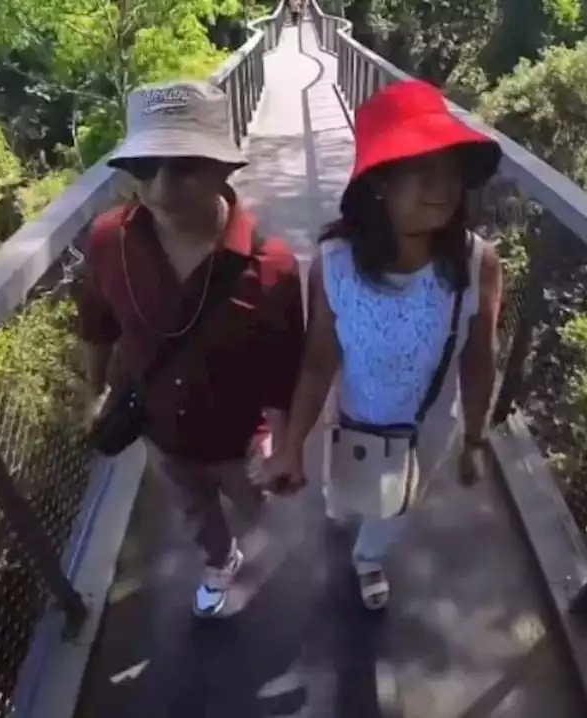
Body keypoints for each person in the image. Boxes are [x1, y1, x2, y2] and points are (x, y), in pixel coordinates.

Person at [263, 80, 503, 610]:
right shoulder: (335, 264)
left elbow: (479, 356)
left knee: (396, 505)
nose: (441, 186)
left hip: (427, 426)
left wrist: (476, 439)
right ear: (379, 184)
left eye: (450, 169)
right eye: (419, 169)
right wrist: (291, 446)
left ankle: (369, 557)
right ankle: (341, 506)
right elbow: (318, 361)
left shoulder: (477, 265)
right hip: (351, 417)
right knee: (344, 491)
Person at [72, 80, 306, 619]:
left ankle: (253, 536)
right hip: (163, 432)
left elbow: (284, 365)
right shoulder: (110, 241)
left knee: (253, 504)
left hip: (240, 437)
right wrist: (97, 390)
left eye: (183, 166)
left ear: (223, 168)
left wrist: (282, 443)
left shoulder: (271, 266)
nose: (161, 186)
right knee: (194, 510)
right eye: (146, 168)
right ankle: (219, 559)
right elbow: (98, 323)